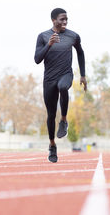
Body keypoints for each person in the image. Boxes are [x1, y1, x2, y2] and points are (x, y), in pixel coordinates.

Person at [34, 8, 87, 163]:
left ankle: (63, 120)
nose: (65, 22)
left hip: (66, 74)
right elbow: (37, 59)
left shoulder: (73, 36)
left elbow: (80, 53)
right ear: (53, 20)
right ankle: (52, 145)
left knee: (63, 87)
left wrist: (83, 75)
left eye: (66, 19)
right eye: (61, 19)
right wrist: (49, 44)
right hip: (49, 79)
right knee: (50, 115)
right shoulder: (43, 36)